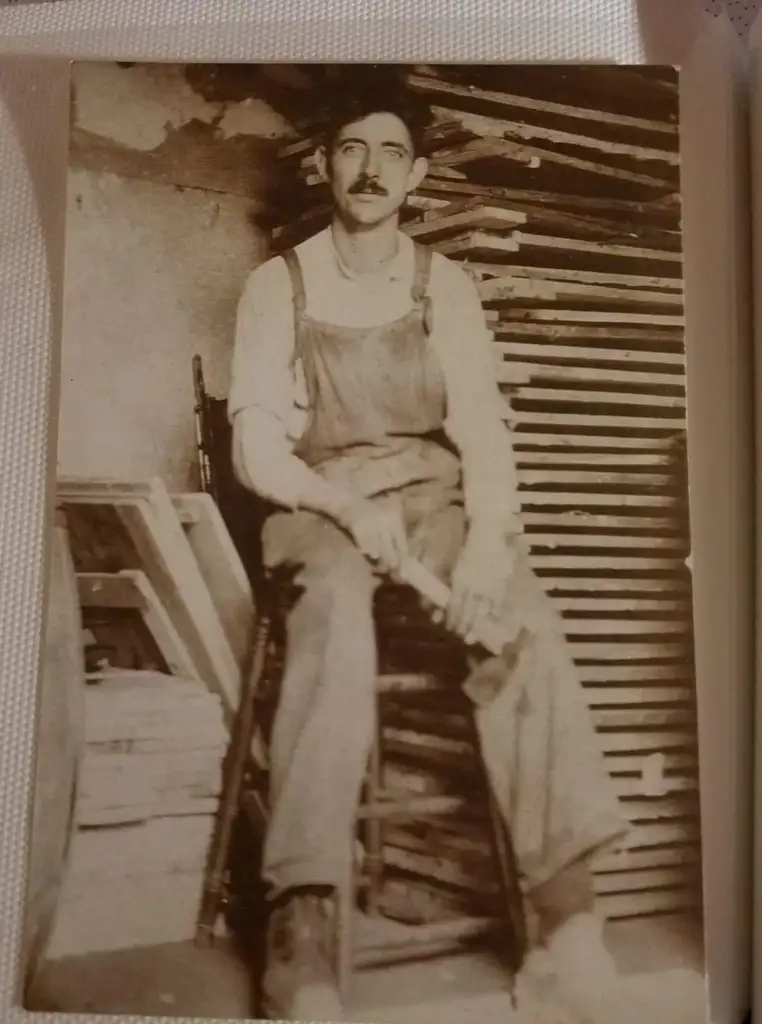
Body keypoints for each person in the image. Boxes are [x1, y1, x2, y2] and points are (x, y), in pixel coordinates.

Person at [228, 72, 637, 1023]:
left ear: (417, 176)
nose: (371, 170)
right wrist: (338, 502)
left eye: (392, 153)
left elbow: (484, 431)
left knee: (520, 617)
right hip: (315, 498)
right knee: (330, 615)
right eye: (353, 150)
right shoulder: (275, 283)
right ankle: (306, 933)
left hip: (429, 498)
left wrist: (490, 540)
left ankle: (566, 931)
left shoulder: (442, 283)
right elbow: (255, 448)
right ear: (326, 164)